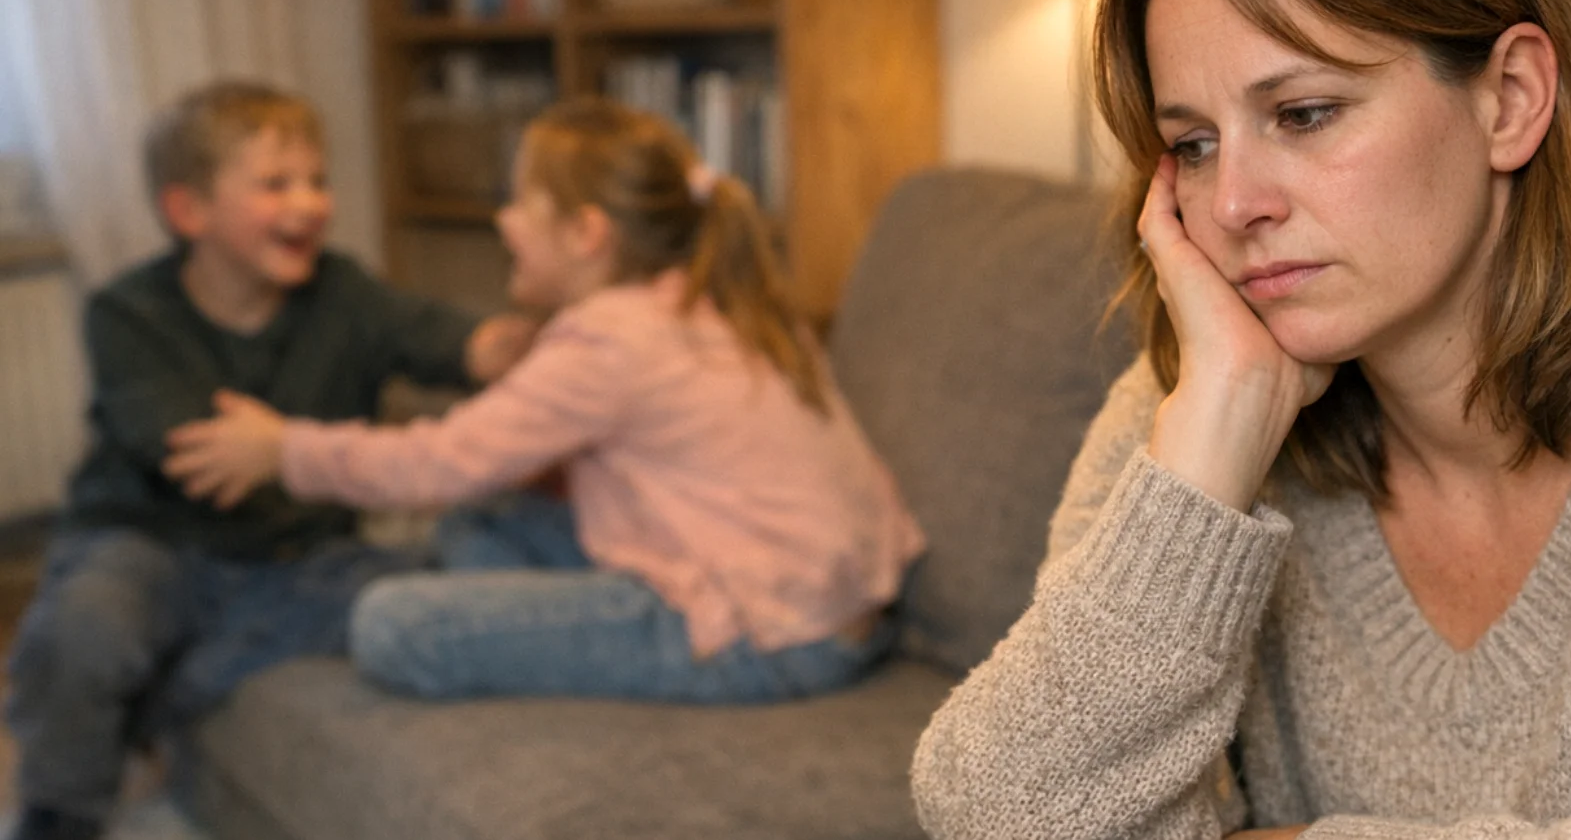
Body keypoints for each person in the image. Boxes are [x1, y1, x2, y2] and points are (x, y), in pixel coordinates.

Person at [910, 0, 1571, 837]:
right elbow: (997, 815)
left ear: (1511, 99)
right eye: (1192, 145)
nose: (1233, 203)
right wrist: (1204, 468)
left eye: (1304, 113)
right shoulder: (1207, 398)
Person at [163, 95, 926, 704]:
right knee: (482, 522)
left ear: (587, 232)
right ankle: (541, 624)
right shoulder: (719, 298)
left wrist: (283, 449)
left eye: (520, 201)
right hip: (838, 606)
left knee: (390, 622)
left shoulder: (610, 338)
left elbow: (440, 462)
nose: (503, 220)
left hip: (763, 636)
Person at [4, 81, 533, 840]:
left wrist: (523, 343)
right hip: (150, 542)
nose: (310, 203)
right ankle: (59, 812)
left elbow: (452, 340)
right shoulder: (126, 312)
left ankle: (168, 689)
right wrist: (313, 454)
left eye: (318, 181)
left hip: (298, 556)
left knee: (427, 590)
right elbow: (199, 455)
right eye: (276, 184)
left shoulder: (345, 293)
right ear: (189, 211)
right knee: (83, 628)